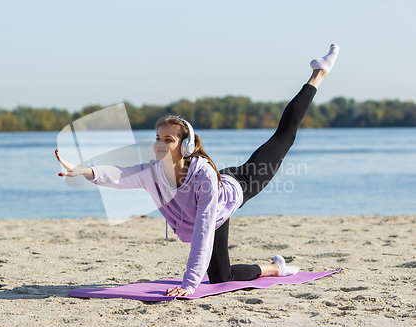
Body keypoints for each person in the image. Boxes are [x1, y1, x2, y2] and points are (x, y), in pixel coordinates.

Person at [55, 44, 340, 297]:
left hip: (237, 186)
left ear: (185, 145)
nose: (160, 144)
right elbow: (119, 175)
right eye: (157, 138)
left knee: (284, 136)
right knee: (220, 277)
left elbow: (204, 229)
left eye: (168, 139)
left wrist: (189, 284)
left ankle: (318, 75)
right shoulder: (154, 172)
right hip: (216, 209)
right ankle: (276, 269)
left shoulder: (202, 175)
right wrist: (82, 170)